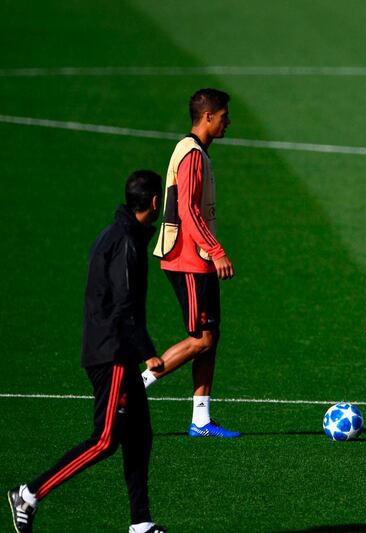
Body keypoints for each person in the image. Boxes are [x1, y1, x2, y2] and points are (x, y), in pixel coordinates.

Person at [7, 171, 167, 533]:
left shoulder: (114, 234)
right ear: (155, 202)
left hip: (114, 349)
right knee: (106, 439)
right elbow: (124, 305)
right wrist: (148, 352)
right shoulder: (125, 241)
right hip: (111, 354)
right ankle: (29, 494)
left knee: (140, 435)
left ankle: (141, 522)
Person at [145, 88, 239, 438]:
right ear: (208, 117)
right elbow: (188, 210)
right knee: (200, 339)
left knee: (210, 337)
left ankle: (201, 419)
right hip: (188, 259)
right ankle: (132, 388)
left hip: (195, 258)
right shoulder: (193, 155)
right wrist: (216, 250)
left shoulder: (197, 152)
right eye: (224, 116)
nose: (228, 122)